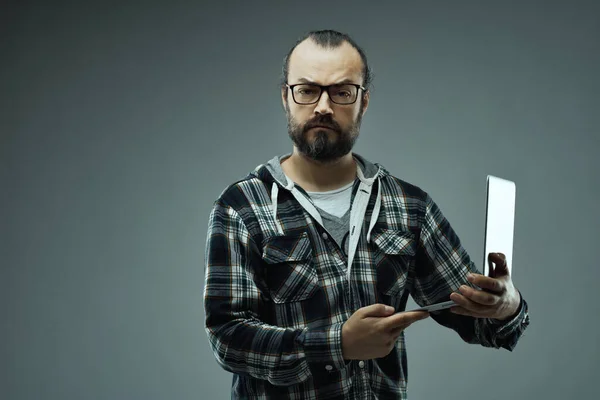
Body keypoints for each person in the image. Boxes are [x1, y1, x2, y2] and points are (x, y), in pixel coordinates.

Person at [203, 29, 530, 399]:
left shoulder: (408, 206)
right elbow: (227, 338)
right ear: (286, 97)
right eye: (307, 90)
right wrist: (337, 344)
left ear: (364, 101)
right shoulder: (241, 207)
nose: (323, 106)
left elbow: (479, 322)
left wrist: (506, 305)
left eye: (342, 92)